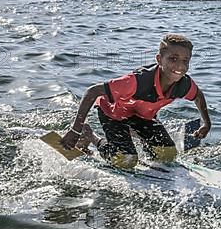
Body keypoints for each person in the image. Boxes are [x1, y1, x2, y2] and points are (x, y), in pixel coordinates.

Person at [60, 34, 211, 169]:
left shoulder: (184, 84)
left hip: (141, 117)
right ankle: (91, 136)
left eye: (185, 61)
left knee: (167, 154)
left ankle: (133, 133)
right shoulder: (137, 82)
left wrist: (206, 123)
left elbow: (198, 96)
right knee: (126, 160)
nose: (180, 66)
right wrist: (75, 130)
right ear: (159, 60)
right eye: (173, 59)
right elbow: (92, 92)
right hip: (112, 114)